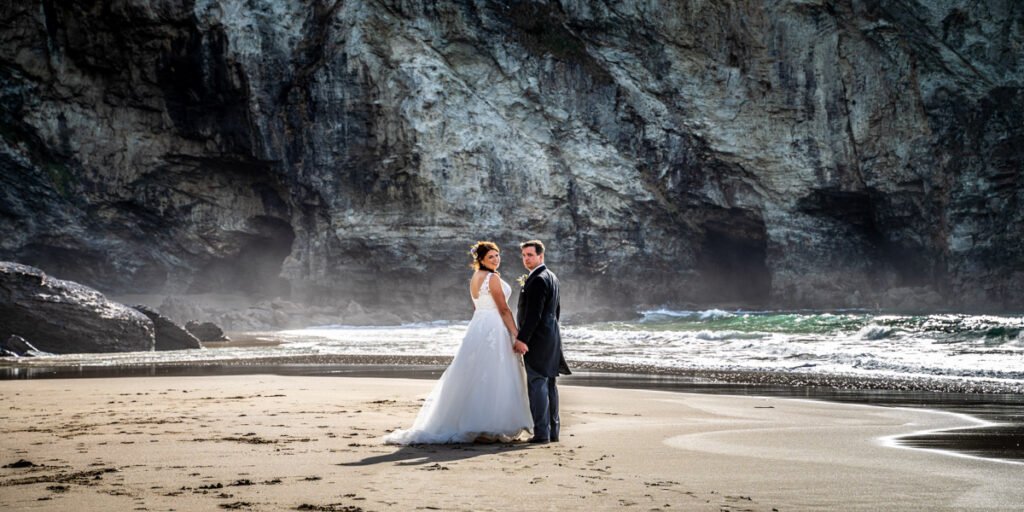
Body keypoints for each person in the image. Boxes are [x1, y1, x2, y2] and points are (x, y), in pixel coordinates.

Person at [383, 241, 532, 444]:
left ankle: (476, 424)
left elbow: (476, 307)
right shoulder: (492, 278)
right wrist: (516, 334)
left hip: (479, 325)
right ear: (480, 260)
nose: (496, 259)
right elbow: (504, 309)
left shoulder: (474, 278)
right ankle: (485, 426)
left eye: (497, 255)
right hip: (493, 327)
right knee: (492, 372)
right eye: (491, 257)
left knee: (475, 372)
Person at [513, 240, 571, 444]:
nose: (526, 259)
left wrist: (522, 339)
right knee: (550, 385)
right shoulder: (551, 276)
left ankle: (541, 433)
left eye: (530, 255)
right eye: (523, 255)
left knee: (537, 383)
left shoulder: (538, 279)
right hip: (551, 337)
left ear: (541, 256)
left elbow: (533, 316)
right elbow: (556, 312)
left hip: (538, 340)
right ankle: (553, 432)